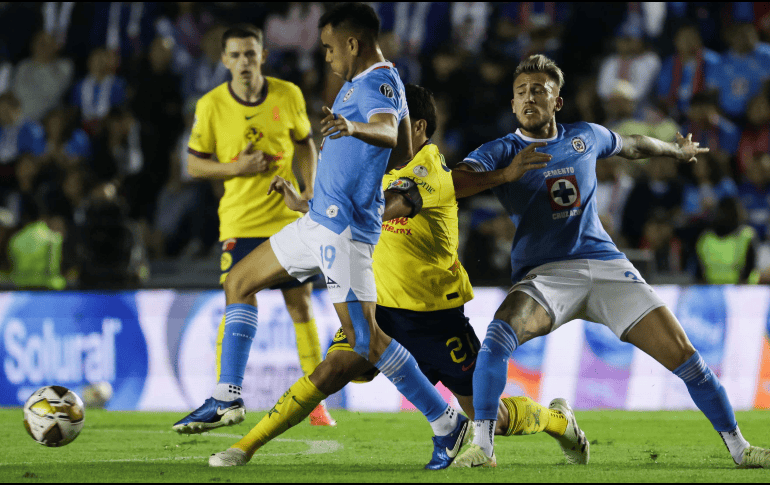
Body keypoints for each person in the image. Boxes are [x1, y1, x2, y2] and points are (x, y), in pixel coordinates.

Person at [208, 83, 588, 469]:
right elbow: (345, 211)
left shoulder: (428, 169)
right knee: (330, 372)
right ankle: (245, 448)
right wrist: (308, 205)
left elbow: (387, 209)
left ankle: (558, 420)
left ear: (417, 126)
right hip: (381, 307)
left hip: (433, 319)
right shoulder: (380, 165)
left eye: (391, 118)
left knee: (491, 418)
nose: (381, 125)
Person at [451, 54, 770, 469]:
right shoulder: (502, 151)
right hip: (545, 276)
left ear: (557, 102)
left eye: (539, 91)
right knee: (497, 338)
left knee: (686, 356)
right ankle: (484, 449)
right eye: (521, 92)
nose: (530, 97)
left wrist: (675, 150)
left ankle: (740, 448)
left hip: (605, 265)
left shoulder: (584, 136)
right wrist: (504, 176)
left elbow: (634, 145)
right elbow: (454, 182)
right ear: (513, 104)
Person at [207, 3, 467, 469]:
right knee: (238, 282)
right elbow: (400, 150)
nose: (326, 57)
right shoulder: (358, 84)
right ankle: (227, 397)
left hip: (344, 233)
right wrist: (309, 199)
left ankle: (445, 420)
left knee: (364, 341)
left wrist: (353, 127)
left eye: (329, 47)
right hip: (317, 222)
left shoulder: (380, 82)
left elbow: (389, 134)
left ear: (353, 43)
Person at [172, 23, 334, 433]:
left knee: (299, 303)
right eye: (236, 55)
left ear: (262, 56)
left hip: (285, 219)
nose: (244, 62)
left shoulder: (287, 94)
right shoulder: (210, 105)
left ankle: (315, 402)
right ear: (224, 60)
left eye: (250, 53)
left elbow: (305, 141)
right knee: (237, 295)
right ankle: (224, 393)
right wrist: (235, 168)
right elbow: (192, 164)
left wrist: (310, 189)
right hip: (240, 221)